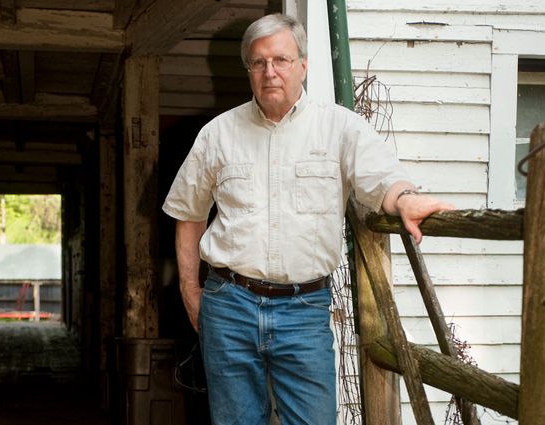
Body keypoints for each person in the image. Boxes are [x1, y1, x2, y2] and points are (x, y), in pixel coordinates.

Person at [162, 13, 454, 425]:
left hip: (303, 308)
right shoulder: (217, 134)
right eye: (259, 63)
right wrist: (190, 291)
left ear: (303, 64)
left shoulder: (339, 127)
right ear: (248, 69)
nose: (270, 72)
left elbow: (380, 177)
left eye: (281, 60)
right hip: (229, 304)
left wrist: (405, 198)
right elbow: (188, 214)